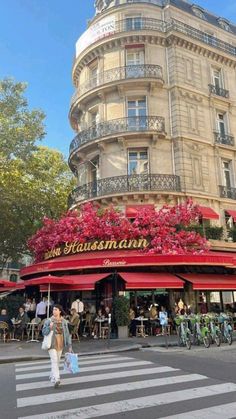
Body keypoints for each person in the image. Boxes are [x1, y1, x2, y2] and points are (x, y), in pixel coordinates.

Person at [42, 304, 72, 388]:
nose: (54, 311)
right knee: (54, 360)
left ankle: (52, 375)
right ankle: (57, 378)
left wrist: (69, 345)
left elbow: (67, 334)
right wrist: (50, 328)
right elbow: (43, 332)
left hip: (60, 342)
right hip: (52, 343)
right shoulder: (48, 321)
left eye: (56, 309)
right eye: (53, 309)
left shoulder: (64, 321)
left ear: (59, 311)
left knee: (57, 361)